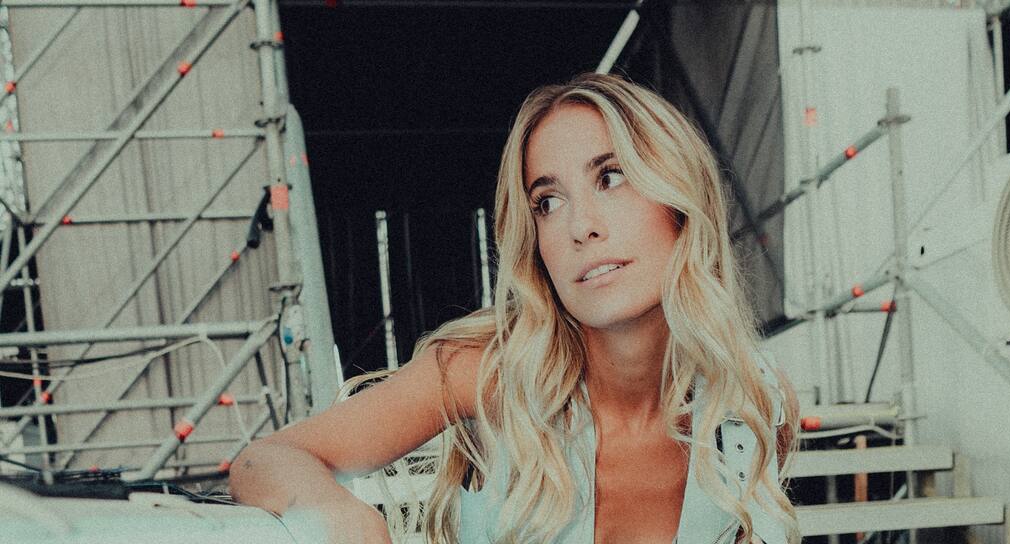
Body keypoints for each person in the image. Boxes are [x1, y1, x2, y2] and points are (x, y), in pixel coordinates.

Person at [229, 72, 802, 544]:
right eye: (548, 202)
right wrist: (336, 516)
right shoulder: (487, 372)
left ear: (679, 202)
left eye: (612, 177)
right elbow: (265, 459)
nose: (581, 226)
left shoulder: (752, 404)